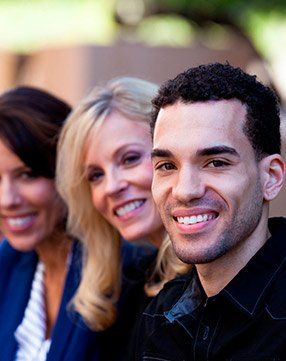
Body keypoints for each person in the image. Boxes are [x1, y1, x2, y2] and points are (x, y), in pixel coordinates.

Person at [135, 63, 286, 360]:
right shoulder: (160, 312)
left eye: (216, 162)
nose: (184, 190)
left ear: (271, 177)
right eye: (167, 166)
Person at [0, 86, 148, 361]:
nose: (7, 199)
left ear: (67, 173)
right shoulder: (7, 261)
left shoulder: (126, 269)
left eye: (27, 175)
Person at [56, 77, 189, 335]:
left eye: (129, 159)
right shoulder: (129, 286)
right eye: (95, 175)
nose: (111, 186)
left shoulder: (215, 278)